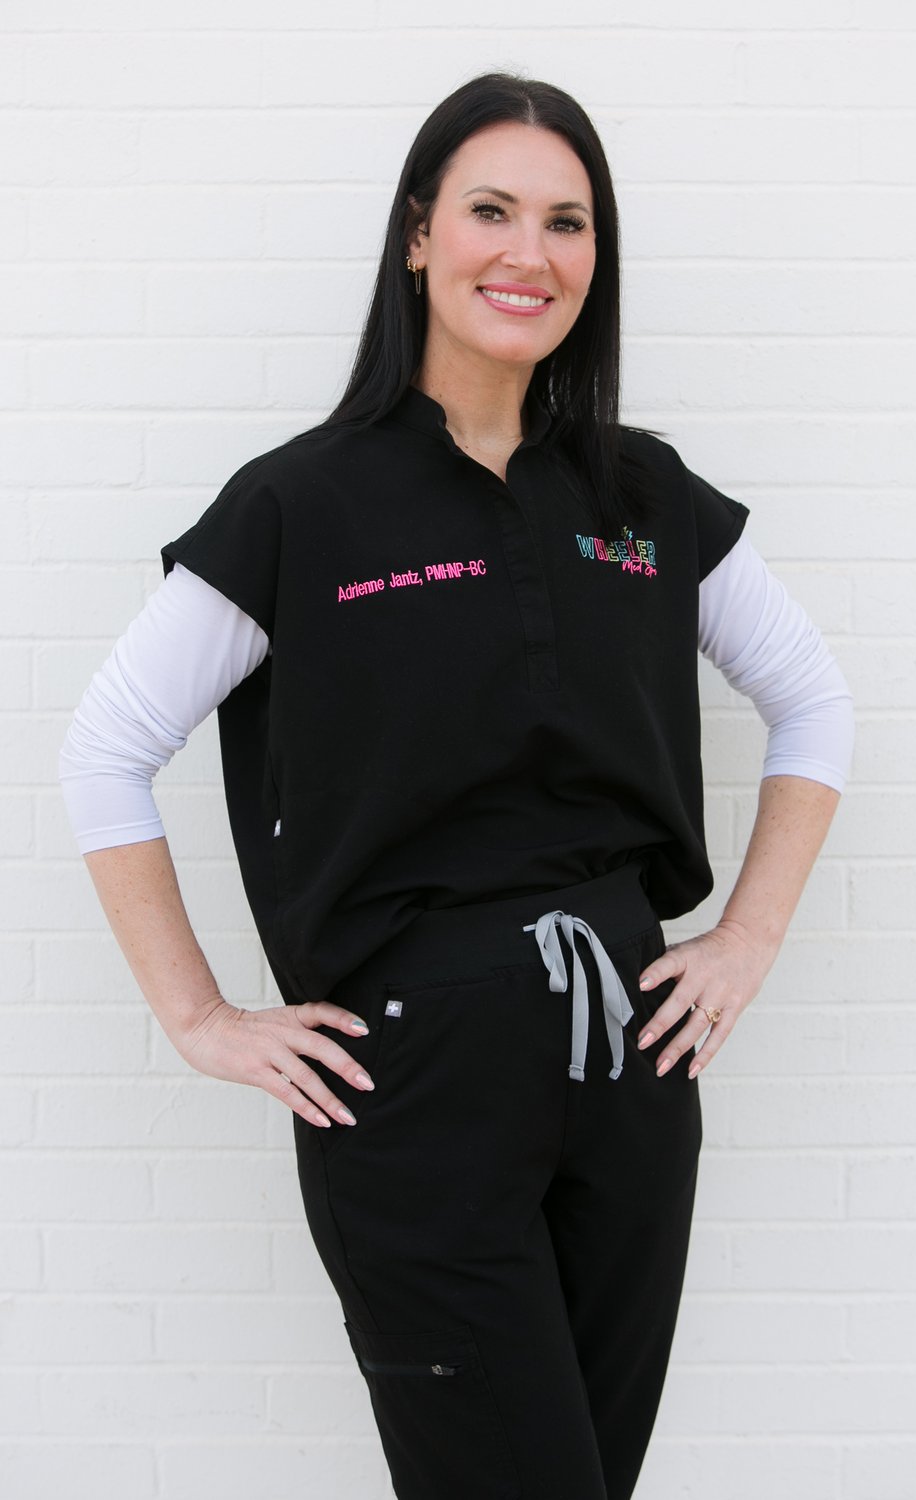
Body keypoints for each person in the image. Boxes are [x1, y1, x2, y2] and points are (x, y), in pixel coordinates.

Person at [59, 71, 853, 1500]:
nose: (528, 253)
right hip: (415, 1082)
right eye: (492, 210)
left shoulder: (642, 496)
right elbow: (106, 750)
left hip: (631, 1069)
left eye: (567, 222)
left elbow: (815, 704)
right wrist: (200, 1018)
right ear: (419, 235)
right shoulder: (302, 503)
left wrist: (746, 938)